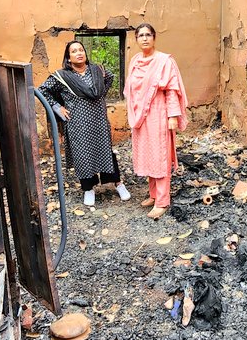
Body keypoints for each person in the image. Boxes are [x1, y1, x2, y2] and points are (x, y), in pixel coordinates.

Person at [39, 41, 129, 206]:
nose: (79, 53)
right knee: (83, 155)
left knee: (106, 151)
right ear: (68, 57)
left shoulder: (98, 70)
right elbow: (42, 90)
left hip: (98, 120)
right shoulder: (62, 76)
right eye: (74, 51)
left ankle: (118, 183)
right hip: (77, 123)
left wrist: (100, 94)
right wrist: (58, 107)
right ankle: (88, 188)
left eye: (81, 50)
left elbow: (110, 78)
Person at [123, 23, 188, 219]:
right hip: (140, 116)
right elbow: (131, 89)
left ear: (154, 37)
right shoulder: (135, 60)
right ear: (136, 39)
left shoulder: (164, 61)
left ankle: (162, 201)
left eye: (148, 35)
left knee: (160, 156)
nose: (144, 38)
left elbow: (171, 90)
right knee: (148, 154)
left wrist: (172, 116)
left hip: (159, 113)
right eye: (140, 35)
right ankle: (153, 194)